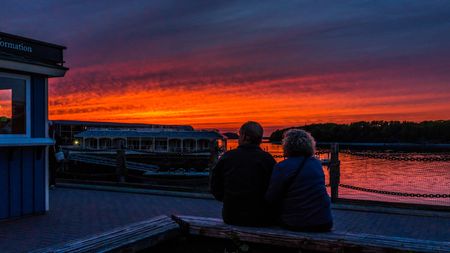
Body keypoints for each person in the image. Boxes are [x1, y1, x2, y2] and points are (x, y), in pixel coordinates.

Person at [210, 121, 276, 226]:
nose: (238, 137)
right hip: (261, 217)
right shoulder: (268, 159)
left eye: (239, 134)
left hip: (232, 216)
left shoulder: (227, 157)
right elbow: (274, 190)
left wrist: (229, 200)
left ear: (245, 137)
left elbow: (215, 188)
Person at [265, 129, 333, 232]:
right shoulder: (317, 164)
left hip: (297, 223)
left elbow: (271, 197)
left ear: (287, 145)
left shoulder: (282, 167)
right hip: (324, 222)